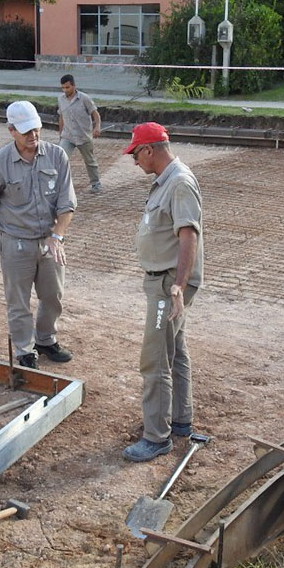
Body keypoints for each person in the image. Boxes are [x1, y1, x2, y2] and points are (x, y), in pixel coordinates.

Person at [0, 101, 77, 369]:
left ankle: (45, 340)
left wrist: (58, 235)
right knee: (18, 302)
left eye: (37, 129)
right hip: (15, 244)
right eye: (26, 131)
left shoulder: (56, 156)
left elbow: (67, 204)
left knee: (53, 297)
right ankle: (25, 351)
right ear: (11, 131)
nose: (34, 136)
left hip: (49, 242)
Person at [122, 122, 204, 462]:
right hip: (165, 281)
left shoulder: (179, 183)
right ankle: (180, 420)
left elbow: (189, 236)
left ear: (150, 150)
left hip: (168, 284)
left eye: (135, 154)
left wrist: (177, 289)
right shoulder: (167, 182)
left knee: (154, 359)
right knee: (176, 349)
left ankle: (157, 437)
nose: (134, 161)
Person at [57, 73, 104, 194]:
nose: (65, 90)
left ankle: (96, 184)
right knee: (61, 159)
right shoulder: (60, 99)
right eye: (63, 88)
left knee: (90, 161)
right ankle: (61, 186)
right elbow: (61, 116)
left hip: (84, 136)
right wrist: (60, 133)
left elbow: (95, 114)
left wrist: (97, 127)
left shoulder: (84, 98)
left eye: (67, 87)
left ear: (73, 86)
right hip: (68, 136)